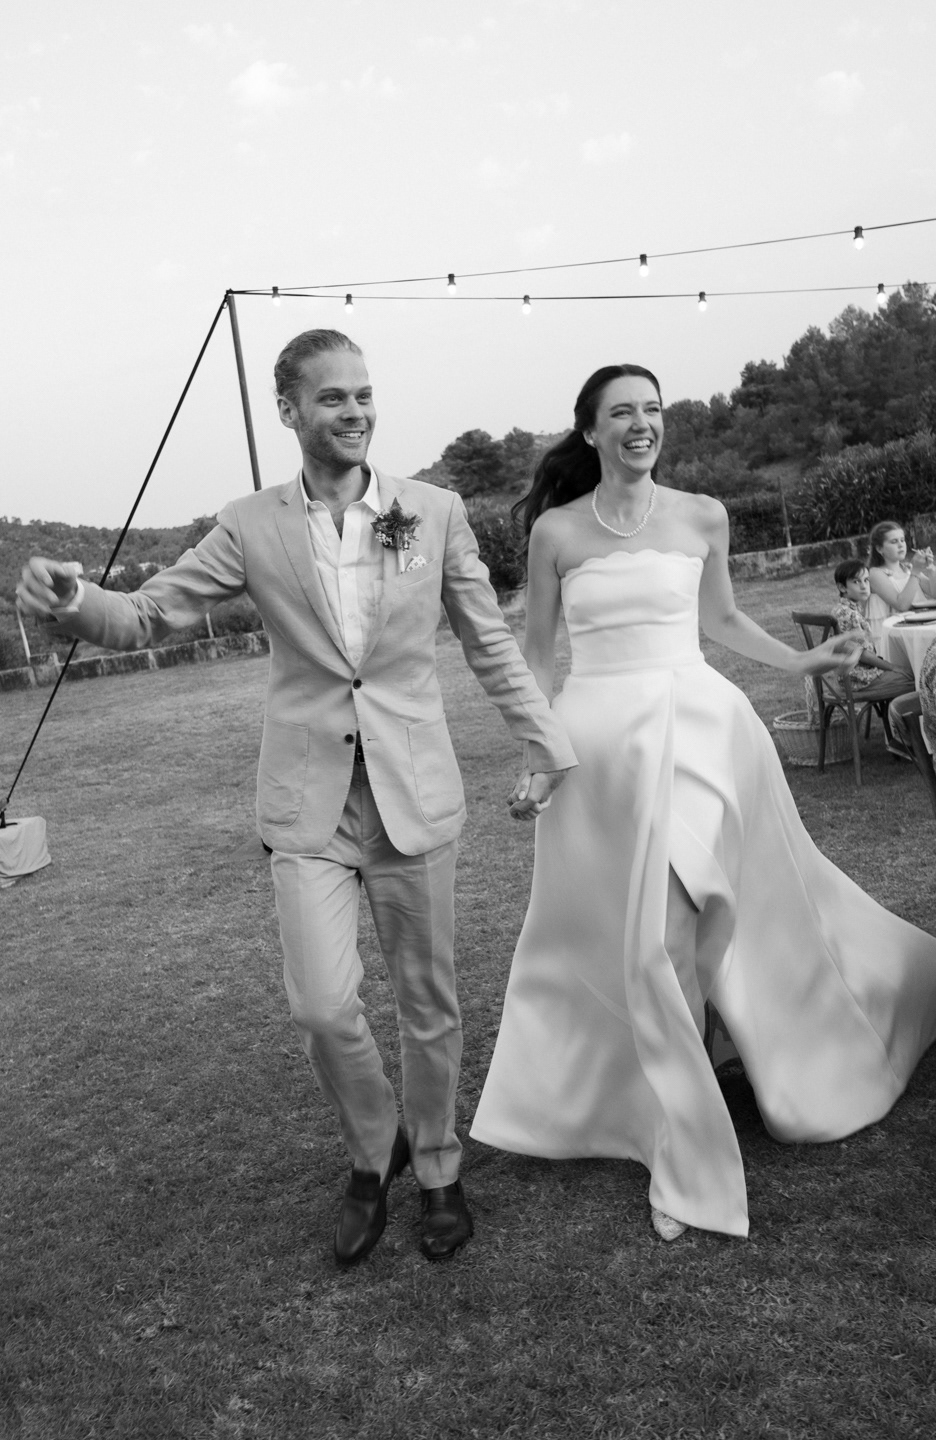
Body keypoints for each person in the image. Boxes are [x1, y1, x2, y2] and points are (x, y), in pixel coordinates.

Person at [16, 328, 577, 1267]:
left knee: (428, 1003)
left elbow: (487, 640)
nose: (355, 412)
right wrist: (72, 598)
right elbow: (147, 615)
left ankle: (438, 1167)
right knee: (320, 1006)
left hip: (413, 798)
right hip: (308, 806)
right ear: (289, 410)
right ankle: (376, 1144)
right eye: (333, 398)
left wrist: (545, 740)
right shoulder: (249, 525)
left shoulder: (431, 512)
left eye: (364, 394)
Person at [470, 364, 936, 1242]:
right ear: (590, 430)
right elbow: (536, 651)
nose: (641, 424)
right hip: (601, 755)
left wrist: (802, 662)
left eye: (652, 409)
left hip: (702, 737)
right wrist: (539, 748)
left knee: (677, 927)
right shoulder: (556, 532)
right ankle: (678, 1090)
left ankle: (684, 1152)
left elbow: (720, 620)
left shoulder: (703, 515)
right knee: (633, 934)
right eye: (622, 413)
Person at [865, 519, 936, 644]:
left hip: (915, 628)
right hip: (893, 635)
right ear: (879, 549)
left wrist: (930, 568)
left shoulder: (907, 569)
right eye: (894, 542)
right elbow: (901, 605)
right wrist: (916, 571)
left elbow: (934, 593)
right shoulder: (875, 573)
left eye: (902, 540)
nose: (901, 545)